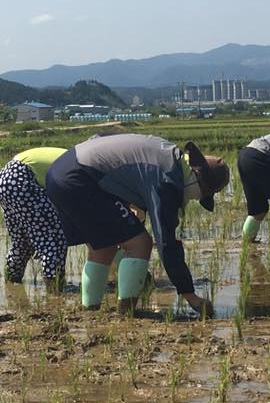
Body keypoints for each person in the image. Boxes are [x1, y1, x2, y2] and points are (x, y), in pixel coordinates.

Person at [45, 133, 230, 316]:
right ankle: (126, 311)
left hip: (61, 172)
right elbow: (166, 242)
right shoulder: (167, 179)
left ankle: (90, 309)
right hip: (80, 178)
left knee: (104, 247)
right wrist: (190, 295)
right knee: (140, 244)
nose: (196, 199)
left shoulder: (171, 157)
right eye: (202, 195)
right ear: (200, 182)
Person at [0, 147, 70, 290]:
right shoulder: (81, 165)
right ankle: (54, 287)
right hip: (22, 179)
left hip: (4, 179)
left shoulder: (75, 156)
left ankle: (12, 282)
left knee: (22, 241)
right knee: (53, 237)